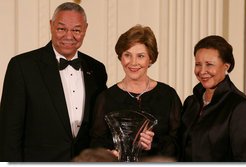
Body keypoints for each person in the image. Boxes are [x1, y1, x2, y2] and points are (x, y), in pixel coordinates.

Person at [0, 2, 107, 162]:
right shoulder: (22, 66)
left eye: (76, 30)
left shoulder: (97, 69)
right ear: (51, 25)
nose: (69, 36)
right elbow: (8, 133)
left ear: (85, 29)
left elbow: (100, 126)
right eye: (61, 29)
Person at [90, 25, 182, 160]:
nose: (133, 63)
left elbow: (179, 142)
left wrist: (154, 144)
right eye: (127, 55)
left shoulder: (167, 95)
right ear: (120, 57)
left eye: (140, 56)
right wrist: (108, 154)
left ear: (150, 59)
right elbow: (95, 143)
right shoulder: (106, 98)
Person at [179, 35, 246, 162]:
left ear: (226, 66)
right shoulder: (191, 102)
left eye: (209, 64)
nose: (202, 71)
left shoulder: (241, 106)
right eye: (198, 64)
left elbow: (244, 160)